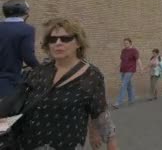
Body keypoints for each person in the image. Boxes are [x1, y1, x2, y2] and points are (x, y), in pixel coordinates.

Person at [16, 18, 118, 149]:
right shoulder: (39, 71)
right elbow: (21, 104)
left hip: (66, 144)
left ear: (78, 43)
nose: (58, 43)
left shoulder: (91, 75)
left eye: (65, 39)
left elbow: (99, 112)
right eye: (52, 40)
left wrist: (110, 141)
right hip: (27, 144)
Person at [0, 0, 39, 98]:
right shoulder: (27, 29)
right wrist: (40, 69)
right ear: (25, 12)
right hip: (7, 81)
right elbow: (28, 57)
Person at [113, 38, 143, 109]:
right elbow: (122, 60)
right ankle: (131, 99)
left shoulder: (134, 50)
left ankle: (118, 102)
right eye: (124, 43)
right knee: (128, 85)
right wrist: (117, 67)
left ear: (130, 43)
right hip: (123, 70)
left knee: (123, 85)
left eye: (126, 43)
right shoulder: (123, 51)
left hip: (130, 70)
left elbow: (138, 59)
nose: (125, 44)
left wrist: (141, 68)